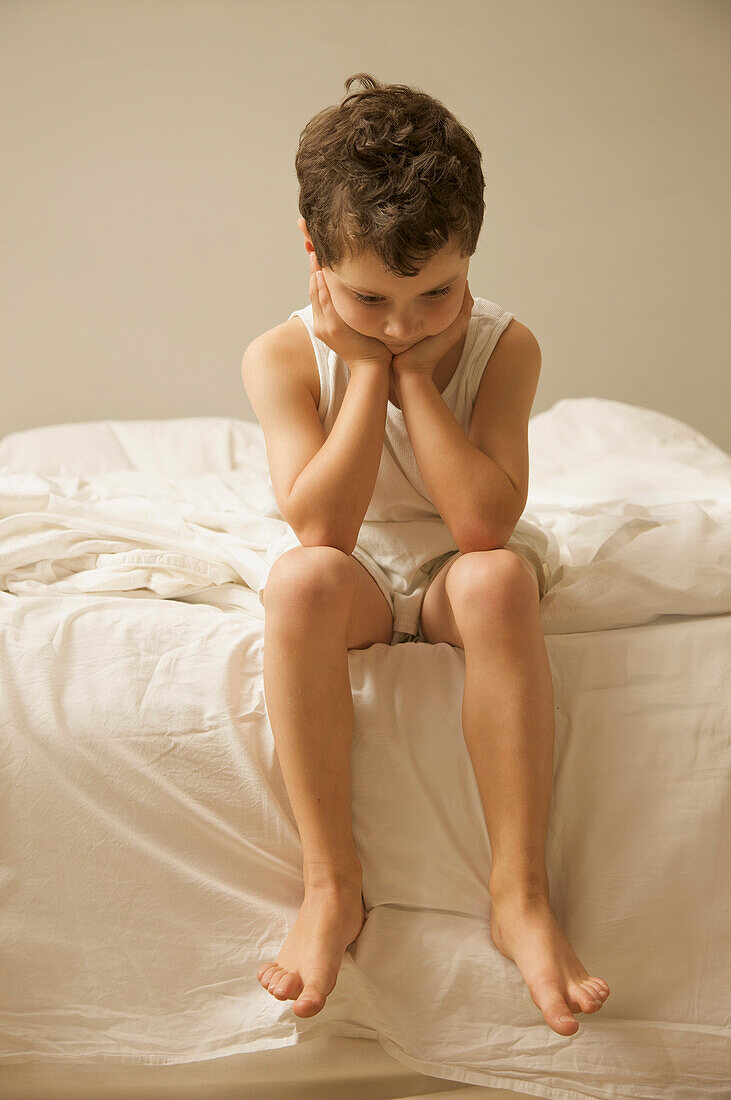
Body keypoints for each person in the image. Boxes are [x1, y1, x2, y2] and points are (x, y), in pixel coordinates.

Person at [242, 73, 610, 1034]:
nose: (406, 323)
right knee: (301, 582)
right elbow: (319, 526)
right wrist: (364, 374)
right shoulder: (282, 357)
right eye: (371, 299)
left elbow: (484, 524)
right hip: (354, 568)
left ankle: (518, 894)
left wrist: (415, 383)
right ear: (313, 253)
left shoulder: (505, 346)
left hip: (455, 564)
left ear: (470, 257)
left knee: (496, 584)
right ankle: (331, 887)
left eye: (435, 291)